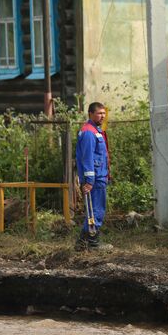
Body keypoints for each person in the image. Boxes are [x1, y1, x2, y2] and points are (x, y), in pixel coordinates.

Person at [75, 102, 112, 251]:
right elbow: (87, 158)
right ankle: (93, 243)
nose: (102, 116)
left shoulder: (96, 131)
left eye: (104, 113)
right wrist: (89, 181)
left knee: (97, 209)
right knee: (95, 211)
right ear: (90, 114)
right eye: (99, 113)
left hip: (100, 177)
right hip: (94, 180)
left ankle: (82, 243)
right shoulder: (89, 132)